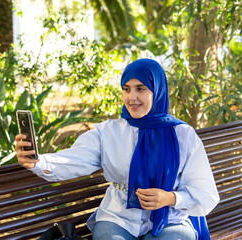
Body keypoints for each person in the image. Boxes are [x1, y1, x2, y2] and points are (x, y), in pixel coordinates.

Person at [15, 58, 219, 240]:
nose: (132, 97)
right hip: (119, 217)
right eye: (126, 89)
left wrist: (171, 198)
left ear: (157, 91)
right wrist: (38, 162)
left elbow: (206, 193)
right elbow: (74, 160)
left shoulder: (182, 135)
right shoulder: (109, 132)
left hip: (170, 218)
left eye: (141, 89)